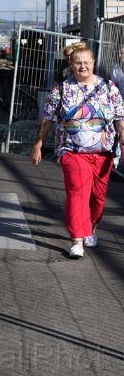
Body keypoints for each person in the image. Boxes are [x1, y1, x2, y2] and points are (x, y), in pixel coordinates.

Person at [31, 45, 124, 258]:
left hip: (103, 152)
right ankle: (77, 240)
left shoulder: (110, 88)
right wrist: (38, 144)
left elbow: (120, 120)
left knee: (97, 197)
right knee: (77, 192)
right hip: (71, 150)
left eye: (86, 62)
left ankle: (91, 226)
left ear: (93, 63)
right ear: (71, 65)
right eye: (78, 62)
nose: (82, 66)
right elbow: (48, 119)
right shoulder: (62, 89)